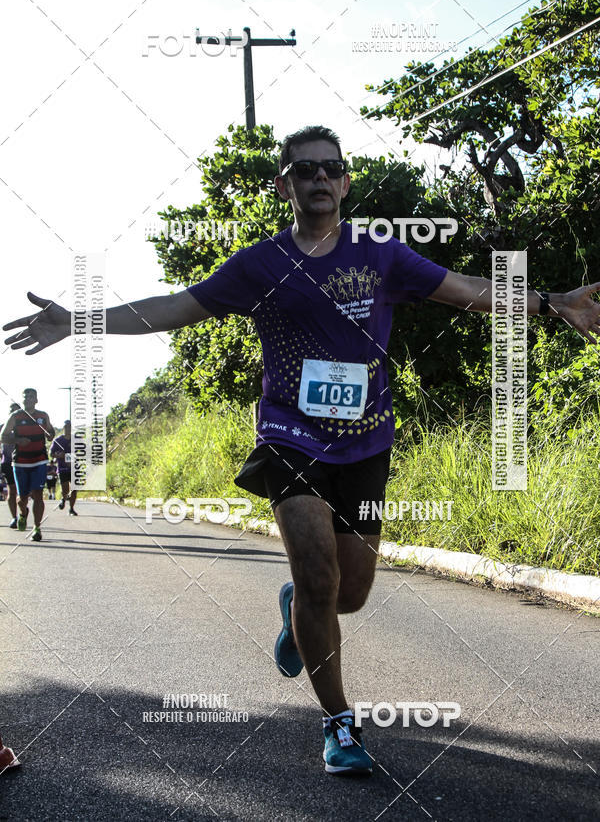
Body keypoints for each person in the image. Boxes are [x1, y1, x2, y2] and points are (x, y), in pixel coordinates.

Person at [4, 125, 600, 774]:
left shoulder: (380, 254)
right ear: (284, 185)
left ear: (345, 182)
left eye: (330, 169)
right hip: (290, 437)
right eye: (306, 169)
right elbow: (174, 307)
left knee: (350, 593)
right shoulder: (260, 265)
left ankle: (296, 608)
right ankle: (339, 723)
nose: (320, 178)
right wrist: (79, 320)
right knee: (320, 579)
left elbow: (464, 289)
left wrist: (552, 302)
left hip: (366, 440)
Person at [0, 389, 54, 541]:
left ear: (36, 400)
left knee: (38, 494)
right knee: (22, 498)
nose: (29, 399)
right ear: (22, 400)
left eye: (31, 397)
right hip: (20, 462)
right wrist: (17, 440)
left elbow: (50, 432)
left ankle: (37, 528)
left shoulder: (43, 416)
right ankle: (23, 514)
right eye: (26, 397)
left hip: (39, 460)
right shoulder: (15, 417)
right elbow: (3, 437)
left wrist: (50, 435)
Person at [51, 421, 77, 516]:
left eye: (69, 426)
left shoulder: (76, 439)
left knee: (74, 489)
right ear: (63, 428)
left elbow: (83, 451)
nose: (68, 429)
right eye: (66, 427)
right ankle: (63, 499)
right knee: (65, 489)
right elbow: (51, 453)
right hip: (62, 469)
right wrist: (58, 455)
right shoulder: (58, 440)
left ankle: (71, 509)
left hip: (74, 468)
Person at [2, 402, 20, 527]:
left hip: (23, 462)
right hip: (8, 463)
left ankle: (22, 508)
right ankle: (14, 517)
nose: (13, 413)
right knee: (12, 490)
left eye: (16, 411)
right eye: (11, 410)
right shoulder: (2, 428)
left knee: (24, 493)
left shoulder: (25, 429)